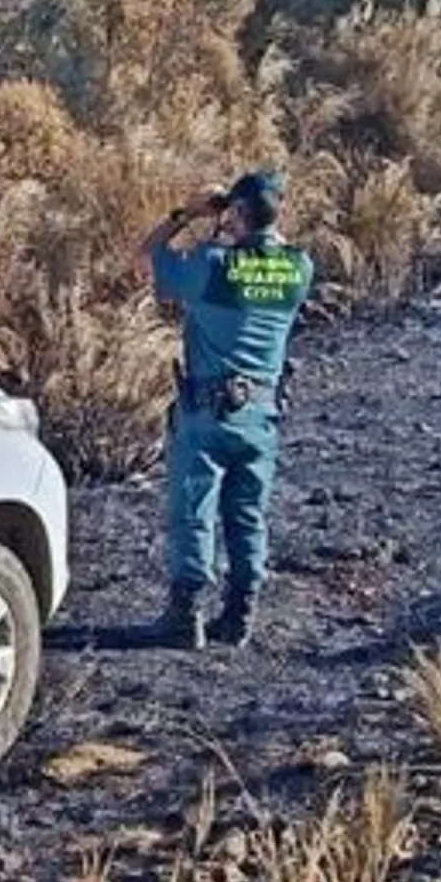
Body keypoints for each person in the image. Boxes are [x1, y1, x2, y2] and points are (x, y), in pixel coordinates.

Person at [135, 170, 314, 649]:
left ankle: (185, 614)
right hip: (262, 412)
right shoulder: (300, 268)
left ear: (236, 214)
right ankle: (239, 615)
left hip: (208, 409)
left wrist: (188, 214)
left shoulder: (211, 264)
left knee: (194, 507)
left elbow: (147, 257)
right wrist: (242, 219)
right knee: (248, 512)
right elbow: (269, 245)